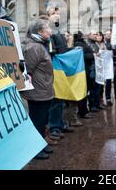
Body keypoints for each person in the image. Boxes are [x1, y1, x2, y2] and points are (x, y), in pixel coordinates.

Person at [21, 19, 54, 159]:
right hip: (37, 92)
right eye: (48, 28)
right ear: (39, 31)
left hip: (42, 90)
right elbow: (27, 70)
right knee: (37, 121)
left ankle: (40, 145)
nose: (50, 31)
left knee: (41, 120)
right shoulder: (35, 47)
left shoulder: (39, 45)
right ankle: (35, 150)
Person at [46, 7, 73, 139]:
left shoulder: (59, 31)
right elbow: (52, 51)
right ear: (48, 17)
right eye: (53, 13)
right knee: (55, 100)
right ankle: (54, 127)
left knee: (60, 99)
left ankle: (60, 124)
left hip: (61, 68)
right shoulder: (49, 31)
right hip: (54, 69)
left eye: (57, 13)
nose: (56, 15)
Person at [74, 31, 96, 118]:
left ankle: (83, 110)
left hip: (84, 70)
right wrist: (92, 55)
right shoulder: (80, 45)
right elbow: (85, 56)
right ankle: (83, 111)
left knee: (85, 91)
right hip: (84, 71)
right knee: (84, 92)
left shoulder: (81, 44)